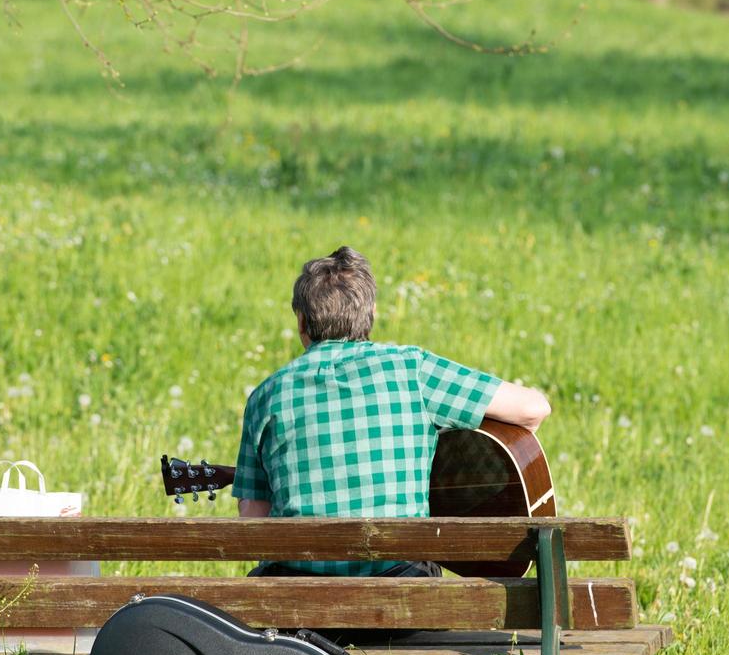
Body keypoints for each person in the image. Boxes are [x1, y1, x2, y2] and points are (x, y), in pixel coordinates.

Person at [233, 245, 551, 580]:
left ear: (301, 320)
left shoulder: (265, 396)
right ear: (370, 313)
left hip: (299, 613)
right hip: (404, 607)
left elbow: (254, 524)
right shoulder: (410, 368)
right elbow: (533, 409)